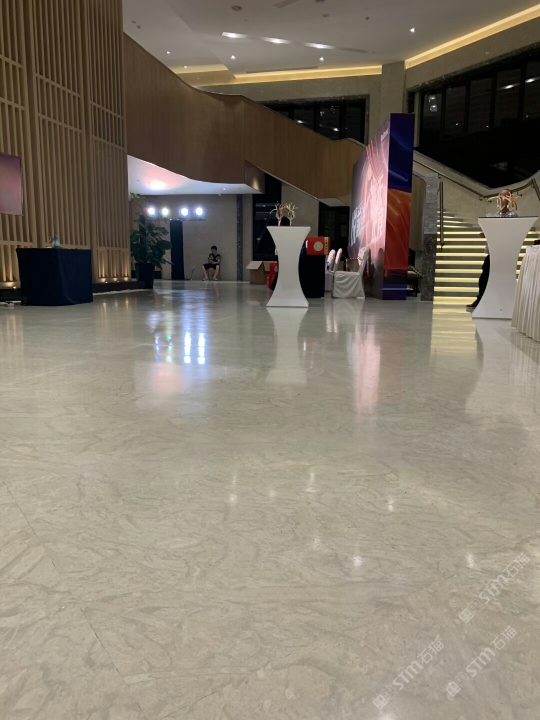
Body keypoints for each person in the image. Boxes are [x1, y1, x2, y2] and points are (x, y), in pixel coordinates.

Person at [466, 232, 488, 312]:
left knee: (484, 280)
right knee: (483, 279)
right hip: (493, 254)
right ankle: (482, 299)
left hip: (496, 255)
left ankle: (481, 300)